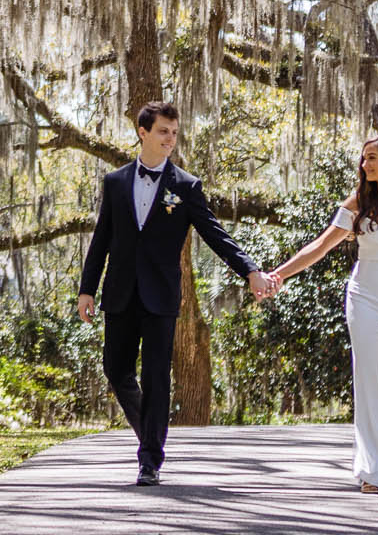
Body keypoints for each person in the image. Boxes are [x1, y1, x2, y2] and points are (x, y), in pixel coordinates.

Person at [77, 100, 276, 486]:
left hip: (161, 296)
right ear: (143, 133)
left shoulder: (185, 186)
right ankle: (149, 434)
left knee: (155, 377)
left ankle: (149, 459)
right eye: (163, 131)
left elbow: (215, 234)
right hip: (119, 293)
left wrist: (249, 270)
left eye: (174, 132)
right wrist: (87, 289)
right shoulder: (115, 182)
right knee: (116, 370)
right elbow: (102, 238)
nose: (170, 138)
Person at [266, 133, 378, 493]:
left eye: (372, 158)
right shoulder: (357, 204)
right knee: (369, 380)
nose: (365, 165)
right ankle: (375, 472)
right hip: (363, 298)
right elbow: (319, 245)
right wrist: (280, 274)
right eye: (363, 159)